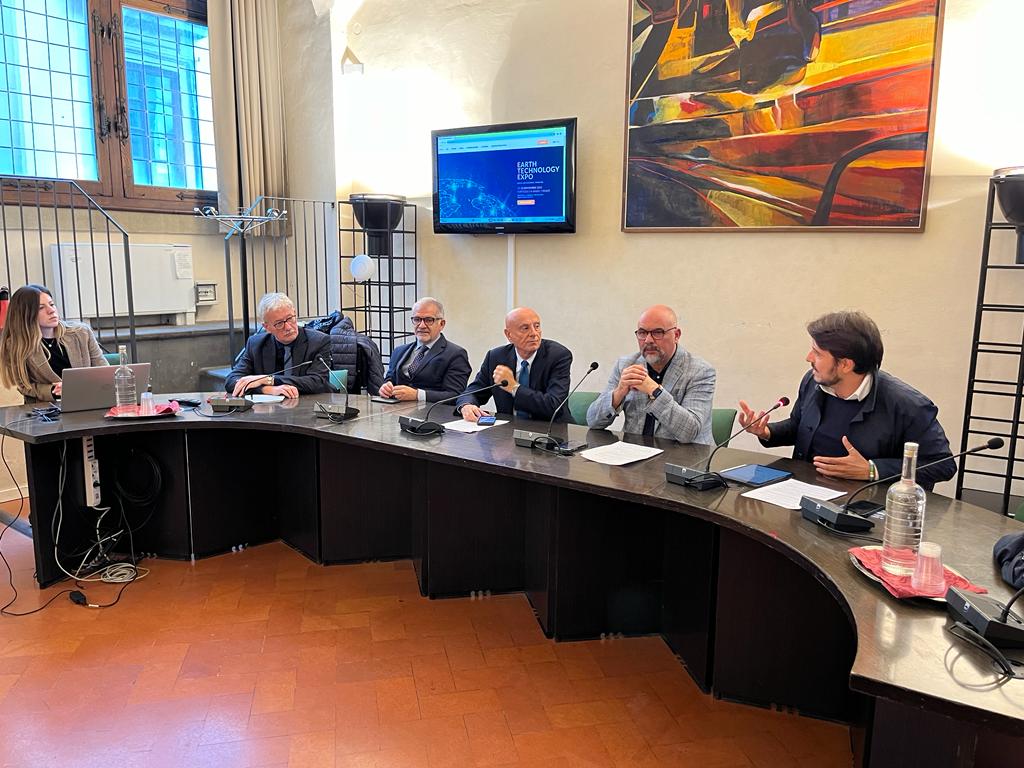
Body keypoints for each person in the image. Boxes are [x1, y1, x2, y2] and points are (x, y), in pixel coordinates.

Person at [738, 311, 955, 490]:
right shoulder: (813, 382)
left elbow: (942, 465)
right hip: (803, 494)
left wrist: (872, 470)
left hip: (864, 510)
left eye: (818, 353)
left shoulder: (908, 405)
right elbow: (799, 426)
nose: (808, 358)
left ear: (845, 364)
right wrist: (767, 432)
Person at [587, 304, 716, 444]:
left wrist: (654, 390)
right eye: (642, 333)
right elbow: (593, 421)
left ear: (676, 335)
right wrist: (618, 393)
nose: (648, 340)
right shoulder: (626, 365)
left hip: (685, 458)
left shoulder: (700, 371)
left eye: (657, 332)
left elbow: (689, 432)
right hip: (634, 456)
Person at [455, 307, 572, 422]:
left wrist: (514, 387)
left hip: (551, 431)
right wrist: (466, 405)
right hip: (509, 431)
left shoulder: (558, 356)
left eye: (537, 326)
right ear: (509, 335)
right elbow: (473, 391)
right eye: (525, 328)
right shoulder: (496, 357)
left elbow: (554, 405)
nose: (534, 333)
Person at [0, 284, 108, 403]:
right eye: (41, 308)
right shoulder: (14, 345)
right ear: (25, 314)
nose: (51, 311)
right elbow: (24, 386)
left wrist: (78, 386)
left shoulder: (82, 333)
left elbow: (104, 372)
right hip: (45, 411)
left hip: (87, 401)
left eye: (51, 304)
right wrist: (53, 391)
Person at [224, 292, 332, 398]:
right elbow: (231, 381)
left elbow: (318, 382)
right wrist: (267, 390)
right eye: (279, 323)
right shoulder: (256, 344)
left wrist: (267, 379)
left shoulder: (319, 341)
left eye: (290, 318)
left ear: (295, 313)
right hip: (269, 411)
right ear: (266, 327)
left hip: (310, 407)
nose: (288, 327)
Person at [380, 297, 470, 403]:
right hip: (395, 413)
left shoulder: (455, 354)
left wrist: (418, 395)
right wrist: (386, 387)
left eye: (428, 320)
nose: (422, 326)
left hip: (434, 416)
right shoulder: (399, 351)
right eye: (417, 319)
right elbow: (390, 379)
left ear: (442, 324)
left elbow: (455, 395)